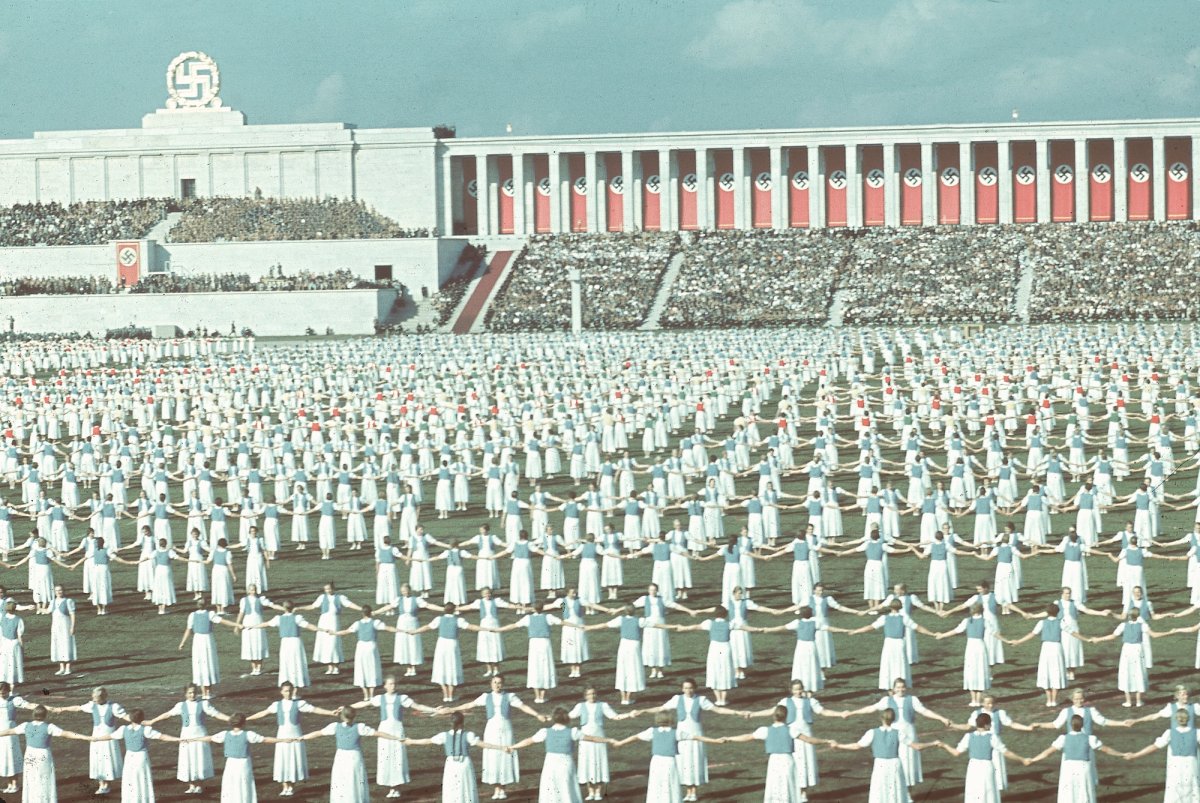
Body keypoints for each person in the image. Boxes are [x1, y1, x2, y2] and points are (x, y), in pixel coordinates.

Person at [443, 673, 547, 801]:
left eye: (499, 682)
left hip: (506, 730)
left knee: (504, 755)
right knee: (493, 756)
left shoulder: (510, 696)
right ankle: (496, 788)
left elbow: (523, 707)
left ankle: (502, 788)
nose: (497, 685)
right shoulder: (485, 697)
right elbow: (469, 705)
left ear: (503, 684)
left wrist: (537, 715)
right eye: (495, 682)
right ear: (491, 684)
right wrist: (452, 709)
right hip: (491, 729)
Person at [346, 674, 441, 798]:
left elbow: (417, 706)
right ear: (385, 686)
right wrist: (346, 707)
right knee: (386, 757)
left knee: (397, 758)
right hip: (384, 730)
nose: (393, 686)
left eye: (394, 683)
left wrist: (435, 710)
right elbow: (364, 704)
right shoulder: (380, 698)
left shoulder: (402, 698)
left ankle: (396, 787)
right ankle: (390, 787)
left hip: (397, 730)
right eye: (390, 684)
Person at [718, 705, 832, 803]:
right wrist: (826, 741)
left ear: (773, 716)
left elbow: (747, 736)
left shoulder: (765, 730)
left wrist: (729, 738)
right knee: (788, 785)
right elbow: (809, 739)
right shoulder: (791, 730)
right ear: (786, 716)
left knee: (775, 785)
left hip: (774, 762)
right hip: (787, 761)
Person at [244, 681, 338, 798]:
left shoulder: (299, 704)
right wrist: (247, 719)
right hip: (282, 735)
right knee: (282, 759)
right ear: (281, 692)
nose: (287, 693)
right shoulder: (276, 705)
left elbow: (314, 709)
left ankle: (291, 787)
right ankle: (285, 787)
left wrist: (331, 712)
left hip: (295, 735)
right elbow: (263, 713)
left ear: (293, 691)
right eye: (285, 691)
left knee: (293, 759)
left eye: (289, 690)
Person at [610, 709, 723, 803]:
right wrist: (715, 741)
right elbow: (696, 737)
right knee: (670, 783)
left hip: (657, 761)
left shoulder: (653, 731)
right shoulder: (676, 732)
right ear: (670, 720)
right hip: (669, 761)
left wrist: (621, 743)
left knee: (656, 783)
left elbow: (635, 737)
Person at [296, 707, 403, 803]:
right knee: (354, 780)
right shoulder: (360, 727)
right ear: (354, 716)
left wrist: (302, 737)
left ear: (341, 716)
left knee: (342, 780)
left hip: (342, 757)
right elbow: (378, 733)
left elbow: (318, 733)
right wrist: (396, 738)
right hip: (354, 757)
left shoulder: (335, 727)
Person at [827, 708, 934, 803]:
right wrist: (933, 743)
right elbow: (917, 746)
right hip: (895, 764)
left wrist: (839, 746)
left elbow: (857, 746)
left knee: (879, 790)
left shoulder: (872, 732)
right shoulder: (899, 733)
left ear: (881, 718)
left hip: (880, 764)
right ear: (893, 719)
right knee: (895, 789)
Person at [507, 706, 610, 803]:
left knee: (551, 787)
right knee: (567, 787)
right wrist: (608, 739)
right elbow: (592, 738)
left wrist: (513, 747)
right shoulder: (573, 732)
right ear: (567, 719)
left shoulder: (545, 732)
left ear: (554, 718)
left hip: (551, 763)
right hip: (566, 763)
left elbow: (528, 741)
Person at [401, 711, 508, 803]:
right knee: (466, 787)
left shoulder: (444, 735)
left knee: (452, 788)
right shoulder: (468, 735)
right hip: (464, 763)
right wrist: (501, 747)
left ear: (450, 722)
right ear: (462, 722)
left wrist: (411, 741)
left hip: (451, 765)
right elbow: (483, 744)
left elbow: (427, 740)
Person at [144, 683, 230, 795]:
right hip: (186, 735)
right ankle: (191, 785)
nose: (192, 694)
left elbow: (217, 714)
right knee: (188, 759)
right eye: (189, 693)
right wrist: (152, 721)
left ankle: (199, 785)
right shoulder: (180, 705)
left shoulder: (204, 704)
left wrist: (231, 719)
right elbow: (167, 714)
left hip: (200, 734)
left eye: (194, 692)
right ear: (185, 694)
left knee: (199, 758)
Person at [85, 708, 179, 803]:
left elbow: (110, 736)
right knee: (142, 778)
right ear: (142, 718)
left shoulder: (124, 729)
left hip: (130, 758)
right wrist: (177, 739)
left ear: (130, 718)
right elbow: (162, 736)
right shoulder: (145, 730)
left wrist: (96, 738)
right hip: (141, 757)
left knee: (130, 779)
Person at [0, 705, 90, 803]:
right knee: (44, 779)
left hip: (30, 755)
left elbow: (9, 731)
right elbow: (67, 733)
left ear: (33, 714)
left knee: (31, 779)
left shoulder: (25, 725)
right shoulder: (49, 727)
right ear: (45, 715)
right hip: (43, 756)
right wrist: (86, 737)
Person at [1025, 714, 1124, 803]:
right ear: (1082, 725)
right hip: (1084, 768)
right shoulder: (1090, 738)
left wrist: (1033, 759)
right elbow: (1106, 749)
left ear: (1070, 725)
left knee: (1069, 791)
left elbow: (1047, 752)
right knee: (1084, 790)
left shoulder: (1063, 738)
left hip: (1069, 769)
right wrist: (1122, 754)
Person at [185, 712, 281, 803]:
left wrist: (194, 739)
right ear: (244, 723)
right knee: (244, 783)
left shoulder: (224, 734)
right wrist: (282, 740)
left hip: (231, 763)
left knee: (231, 783)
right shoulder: (248, 734)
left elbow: (209, 738)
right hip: (243, 763)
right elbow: (265, 739)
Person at [933, 712, 1027, 803]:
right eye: (990, 723)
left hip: (973, 767)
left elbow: (956, 752)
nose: (991, 726)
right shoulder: (992, 737)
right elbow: (1006, 752)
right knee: (988, 790)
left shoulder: (968, 736)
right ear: (986, 725)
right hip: (987, 767)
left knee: (974, 791)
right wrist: (1022, 759)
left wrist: (944, 745)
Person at [568, 685, 640, 801]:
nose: (592, 696)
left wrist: (628, 715)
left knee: (599, 763)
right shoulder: (580, 706)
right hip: (585, 740)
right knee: (587, 764)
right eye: (590, 694)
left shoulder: (603, 705)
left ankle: (598, 792)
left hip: (600, 739)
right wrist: (551, 717)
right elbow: (567, 716)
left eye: (594, 693)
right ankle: (590, 791)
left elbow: (615, 717)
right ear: (585, 696)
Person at [1120, 707, 1200, 802]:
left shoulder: (1170, 733)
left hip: (1176, 766)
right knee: (1193, 787)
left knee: (1175, 789)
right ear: (1189, 719)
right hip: (1191, 765)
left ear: (1175, 719)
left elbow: (1154, 746)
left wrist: (1135, 755)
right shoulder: (1197, 733)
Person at [178, 600, 239, 699]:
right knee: (208, 663)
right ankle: (207, 692)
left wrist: (182, 642)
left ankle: (205, 692)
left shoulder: (193, 615)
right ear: (206, 605)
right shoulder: (209, 614)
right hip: (206, 641)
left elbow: (188, 630)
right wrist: (237, 625)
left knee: (202, 664)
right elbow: (224, 621)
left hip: (199, 641)